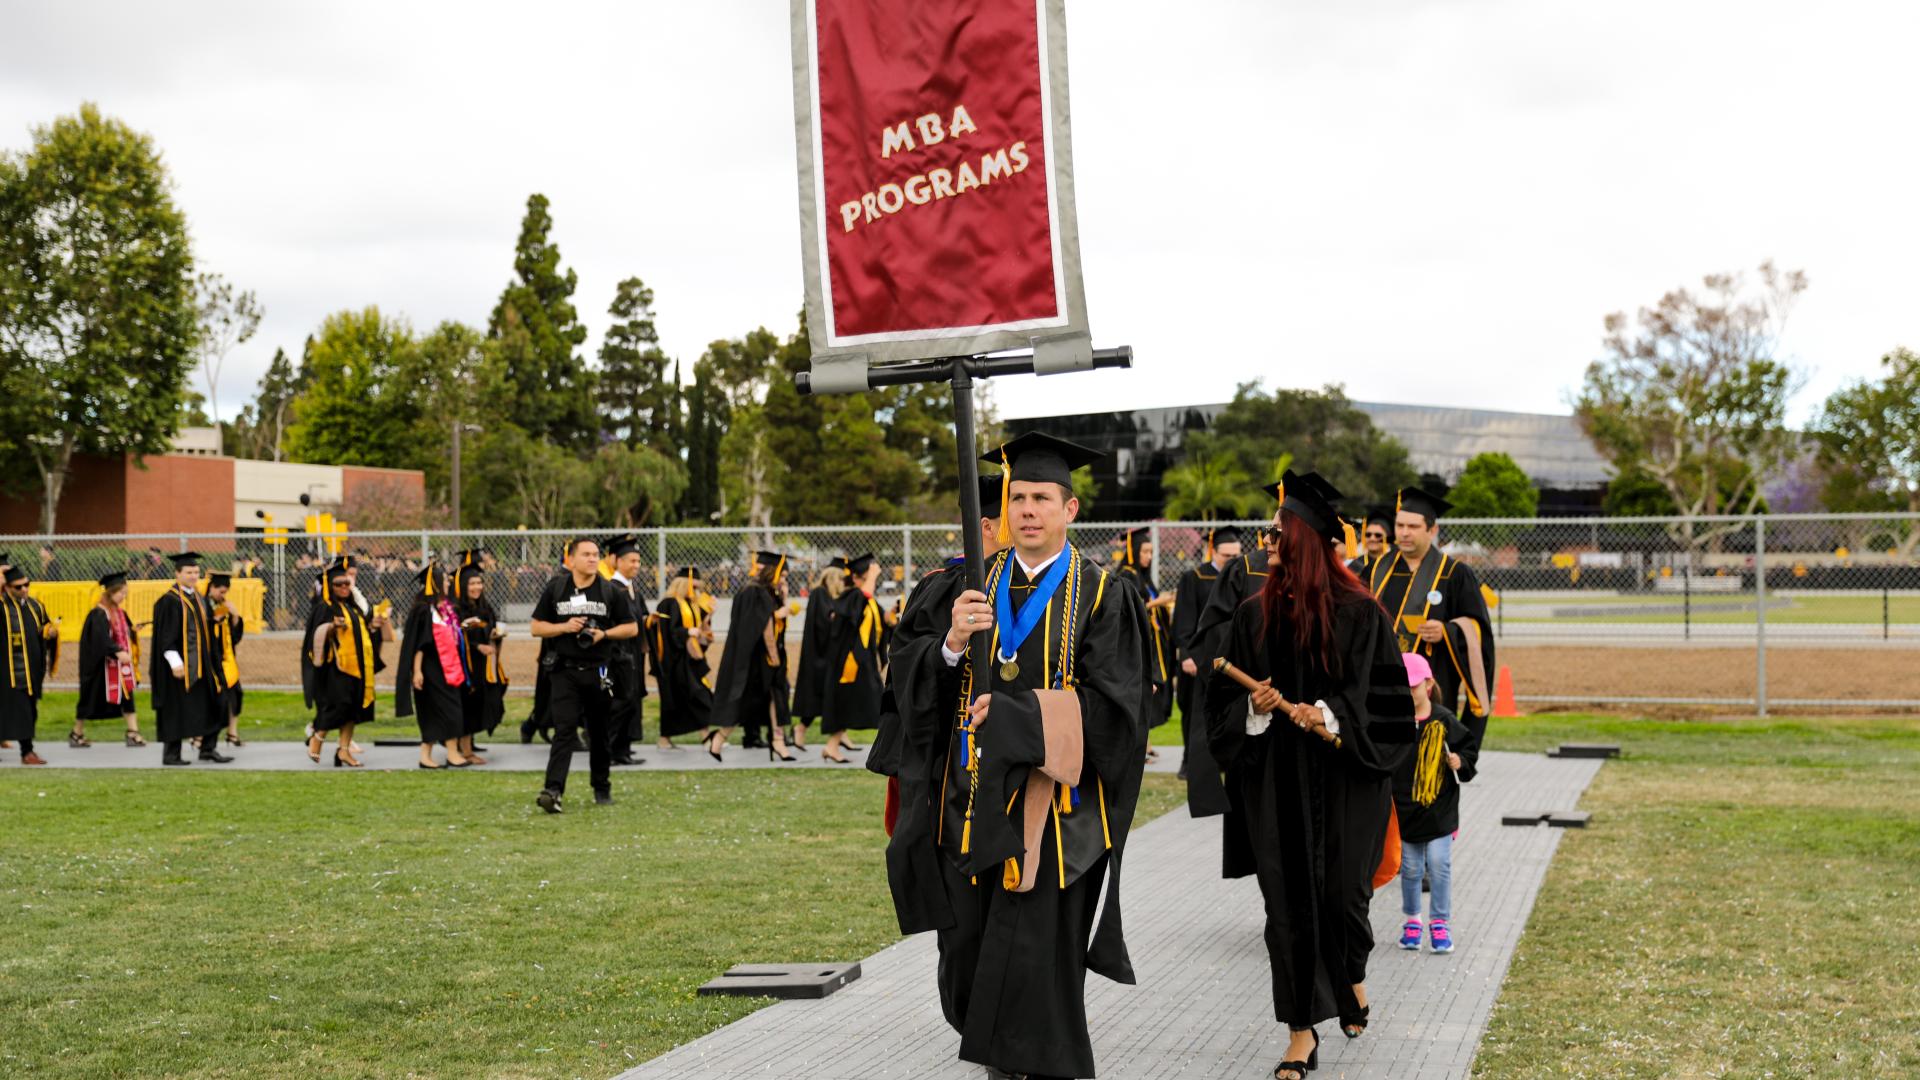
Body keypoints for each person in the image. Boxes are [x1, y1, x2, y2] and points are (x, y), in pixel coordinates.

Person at [889, 432, 1149, 1080]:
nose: (1027, 509)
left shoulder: (1101, 595)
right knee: (967, 971)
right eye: (1017, 496)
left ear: (1071, 510)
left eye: (1041, 497)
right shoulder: (963, 587)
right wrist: (949, 644)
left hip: (1057, 824)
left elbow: (1118, 712)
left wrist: (1023, 718)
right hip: (968, 813)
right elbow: (903, 679)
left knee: (1038, 981)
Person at [1203, 471, 1416, 1078]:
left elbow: (1389, 711)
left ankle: (1350, 978)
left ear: (1306, 542)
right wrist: (1252, 707)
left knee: (1343, 899)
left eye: (1276, 536)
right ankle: (1301, 1034)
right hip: (1276, 785)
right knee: (1287, 909)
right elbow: (1218, 708)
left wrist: (1327, 715)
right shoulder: (1251, 617)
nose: (1266, 546)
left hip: (1348, 783)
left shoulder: (1362, 615)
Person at [1365, 487, 1498, 723]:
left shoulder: (1455, 574)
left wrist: (1448, 631)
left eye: (1413, 527)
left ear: (1432, 530)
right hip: (1381, 687)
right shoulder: (1376, 571)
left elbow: (1479, 632)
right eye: (1400, 526)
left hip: (1433, 691)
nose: (1404, 533)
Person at [529, 537, 639, 813]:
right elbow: (536, 627)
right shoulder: (556, 588)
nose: (592, 559)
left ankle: (602, 787)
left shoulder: (610, 590)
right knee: (564, 730)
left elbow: (631, 628)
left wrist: (604, 634)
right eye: (586, 554)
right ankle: (553, 790)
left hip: (601, 670)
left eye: (595, 554)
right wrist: (564, 627)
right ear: (572, 559)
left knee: (599, 731)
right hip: (565, 670)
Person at [1392, 651, 1479, 956]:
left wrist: (1460, 761)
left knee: (1440, 865)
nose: (1408, 691)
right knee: (1412, 868)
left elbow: (1468, 748)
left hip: (1439, 810)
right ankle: (1412, 920)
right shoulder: (1395, 721)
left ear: (1428, 684)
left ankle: (1440, 923)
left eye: (1414, 685)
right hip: (1407, 812)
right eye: (1403, 686)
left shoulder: (1443, 720)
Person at [705, 552, 797, 763]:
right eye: (782, 576)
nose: (783, 580)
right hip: (756, 659)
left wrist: (782, 598)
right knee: (743, 700)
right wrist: (777, 615)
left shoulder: (767, 592)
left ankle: (778, 742)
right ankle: (718, 738)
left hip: (769, 656)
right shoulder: (753, 593)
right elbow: (754, 626)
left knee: (777, 696)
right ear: (773, 573)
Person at [1170, 525, 1243, 779]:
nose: (1232, 561)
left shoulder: (1239, 579)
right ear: (1213, 551)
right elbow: (1183, 618)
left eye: (1236, 556)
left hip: (1228, 660)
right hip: (1198, 658)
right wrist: (1186, 654)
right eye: (1227, 556)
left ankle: (1221, 760)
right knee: (1193, 713)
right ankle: (1189, 762)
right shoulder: (1195, 578)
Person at [147, 553, 231, 766]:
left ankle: (208, 749)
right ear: (177, 574)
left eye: (196, 572)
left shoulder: (199, 598)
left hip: (204, 664)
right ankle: (171, 755)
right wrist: (176, 663)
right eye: (188, 572)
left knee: (217, 702)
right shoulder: (169, 601)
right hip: (181, 667)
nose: (193, 576)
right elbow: (165, 637)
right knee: (176, 708)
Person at [305, 563, 390, 768]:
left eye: (347, 583)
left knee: (353, 711)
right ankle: (317, 737)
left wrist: (373, 626)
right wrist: (332, 627)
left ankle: (343, 751)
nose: (344, 587)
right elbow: (314, 636)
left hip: (358, 667)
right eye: (339, 584)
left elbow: (359, 635)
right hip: (338, 668)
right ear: (330, 586)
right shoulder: (325, 607)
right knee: (339, 706)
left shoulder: (351, 606)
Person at [395, 564, 474, 770]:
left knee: (446, 709)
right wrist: (418, 671)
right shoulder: (423, 611)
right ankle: (448, 753)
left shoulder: (445, 608)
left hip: (447, 667)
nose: (449, 583)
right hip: (431, 669)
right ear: (436, 584)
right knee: (443, 709)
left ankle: (433, 755)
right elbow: (420, 644)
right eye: (445, 580)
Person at [1112, 527, 1176, 749]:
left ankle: (1145, 744)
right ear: (1134, 550)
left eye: (1151, 552)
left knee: (1153, 692)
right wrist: (1157, 603)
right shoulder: (1126, 576)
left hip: (1154, 643)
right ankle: (1140, 745)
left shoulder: (1143, 577)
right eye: (1145, 551)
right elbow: (1128, 610)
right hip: (1139, 645)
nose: (1149, 556)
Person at [824, 552, 886, 763]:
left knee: (862, 702)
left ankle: (832, 746)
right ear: (860, 577)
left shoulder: (866, 599)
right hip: (850, 664)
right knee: (851, 702)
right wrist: (872, 576)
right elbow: (860, 601)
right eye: (869, 576)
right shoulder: (850, 596)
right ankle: (832, 747)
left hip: (863, 662)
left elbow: (881, 620)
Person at [75, 571, 147, 748]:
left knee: (127, 695)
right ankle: (76, 733)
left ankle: (133, 732)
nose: (124, 596)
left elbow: (124, 631)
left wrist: (133, 629)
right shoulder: (98, 614)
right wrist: (117, 651)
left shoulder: (119, 613)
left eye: (125, 593)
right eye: (121, 593)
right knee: (89, 699)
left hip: (117, 666)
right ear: (110, 592)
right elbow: (101, 638)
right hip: (101, 667)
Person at [649, 566, 714, 750]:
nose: (697, 591)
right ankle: (702, 737)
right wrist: (687, 632)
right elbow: (667, 633)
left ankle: (700, 736)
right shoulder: (669, 604)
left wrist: (708, 615)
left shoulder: (691, 604)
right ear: (684, 585)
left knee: (696, 696)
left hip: (689, 660)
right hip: (673, 661)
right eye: (695, 587)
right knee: (685, 698)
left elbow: (700, 627)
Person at [1, 565, 59, 765]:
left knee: (29, 710)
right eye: (18, 587)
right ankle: (27, 752)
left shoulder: (36, 606)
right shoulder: (1, 607)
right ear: (7, 587)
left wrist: (49, 632)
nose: (24, 589)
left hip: (31, 671)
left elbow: (43, 626)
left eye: (27, 585)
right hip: (6, 671)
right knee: (15, 710)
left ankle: (27, 750)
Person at [789, 556, 848, 751]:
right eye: (841, 579)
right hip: (818, 655)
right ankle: (800, 729)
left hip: (830, 654)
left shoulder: (831, 595)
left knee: (838, 696)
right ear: (833, 578)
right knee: (817, 696)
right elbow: (824, 622)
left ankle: (840, 735)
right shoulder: (819, 594)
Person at [454, 553, 507, 764]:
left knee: (483, 703)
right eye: (472, 583)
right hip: (466, 666)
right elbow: (453, 638)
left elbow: (490, 628)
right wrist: (477, 646)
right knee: (469, 705)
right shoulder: (456, 609)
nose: (476, 587)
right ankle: (465, 751)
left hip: (484, 666)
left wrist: (494, 635)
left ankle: (467, 745)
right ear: (463, 585)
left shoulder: (484, 607)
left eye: (479, 582)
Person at [603, 534, 650, 767]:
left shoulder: (634, 590)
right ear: (616, 561)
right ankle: (608, 751)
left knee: (631, 702)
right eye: (631, 561)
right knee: (618, 703)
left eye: (638, 561)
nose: (636, 566)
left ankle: (623, 749)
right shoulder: (611, 589)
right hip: (618, 655)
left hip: (634, 655)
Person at [206, 572, 247, 748]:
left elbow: (234, 637)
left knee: (236, 695)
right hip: (210, 661)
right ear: (212, 588)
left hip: (228, 661)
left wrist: (235, 616)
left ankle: (232, 733)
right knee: (212, 700)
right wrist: (213, 620)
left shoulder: (223, 606)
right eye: (221, 591)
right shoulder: (204, 605)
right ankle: (201, 737)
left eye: (225, 592)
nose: (223, 595)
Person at [1347, 505, 1394, 580]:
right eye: (1368, 535)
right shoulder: (1356, 565)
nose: (1372, 538)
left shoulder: (1395, 563)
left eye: (1378, 535)